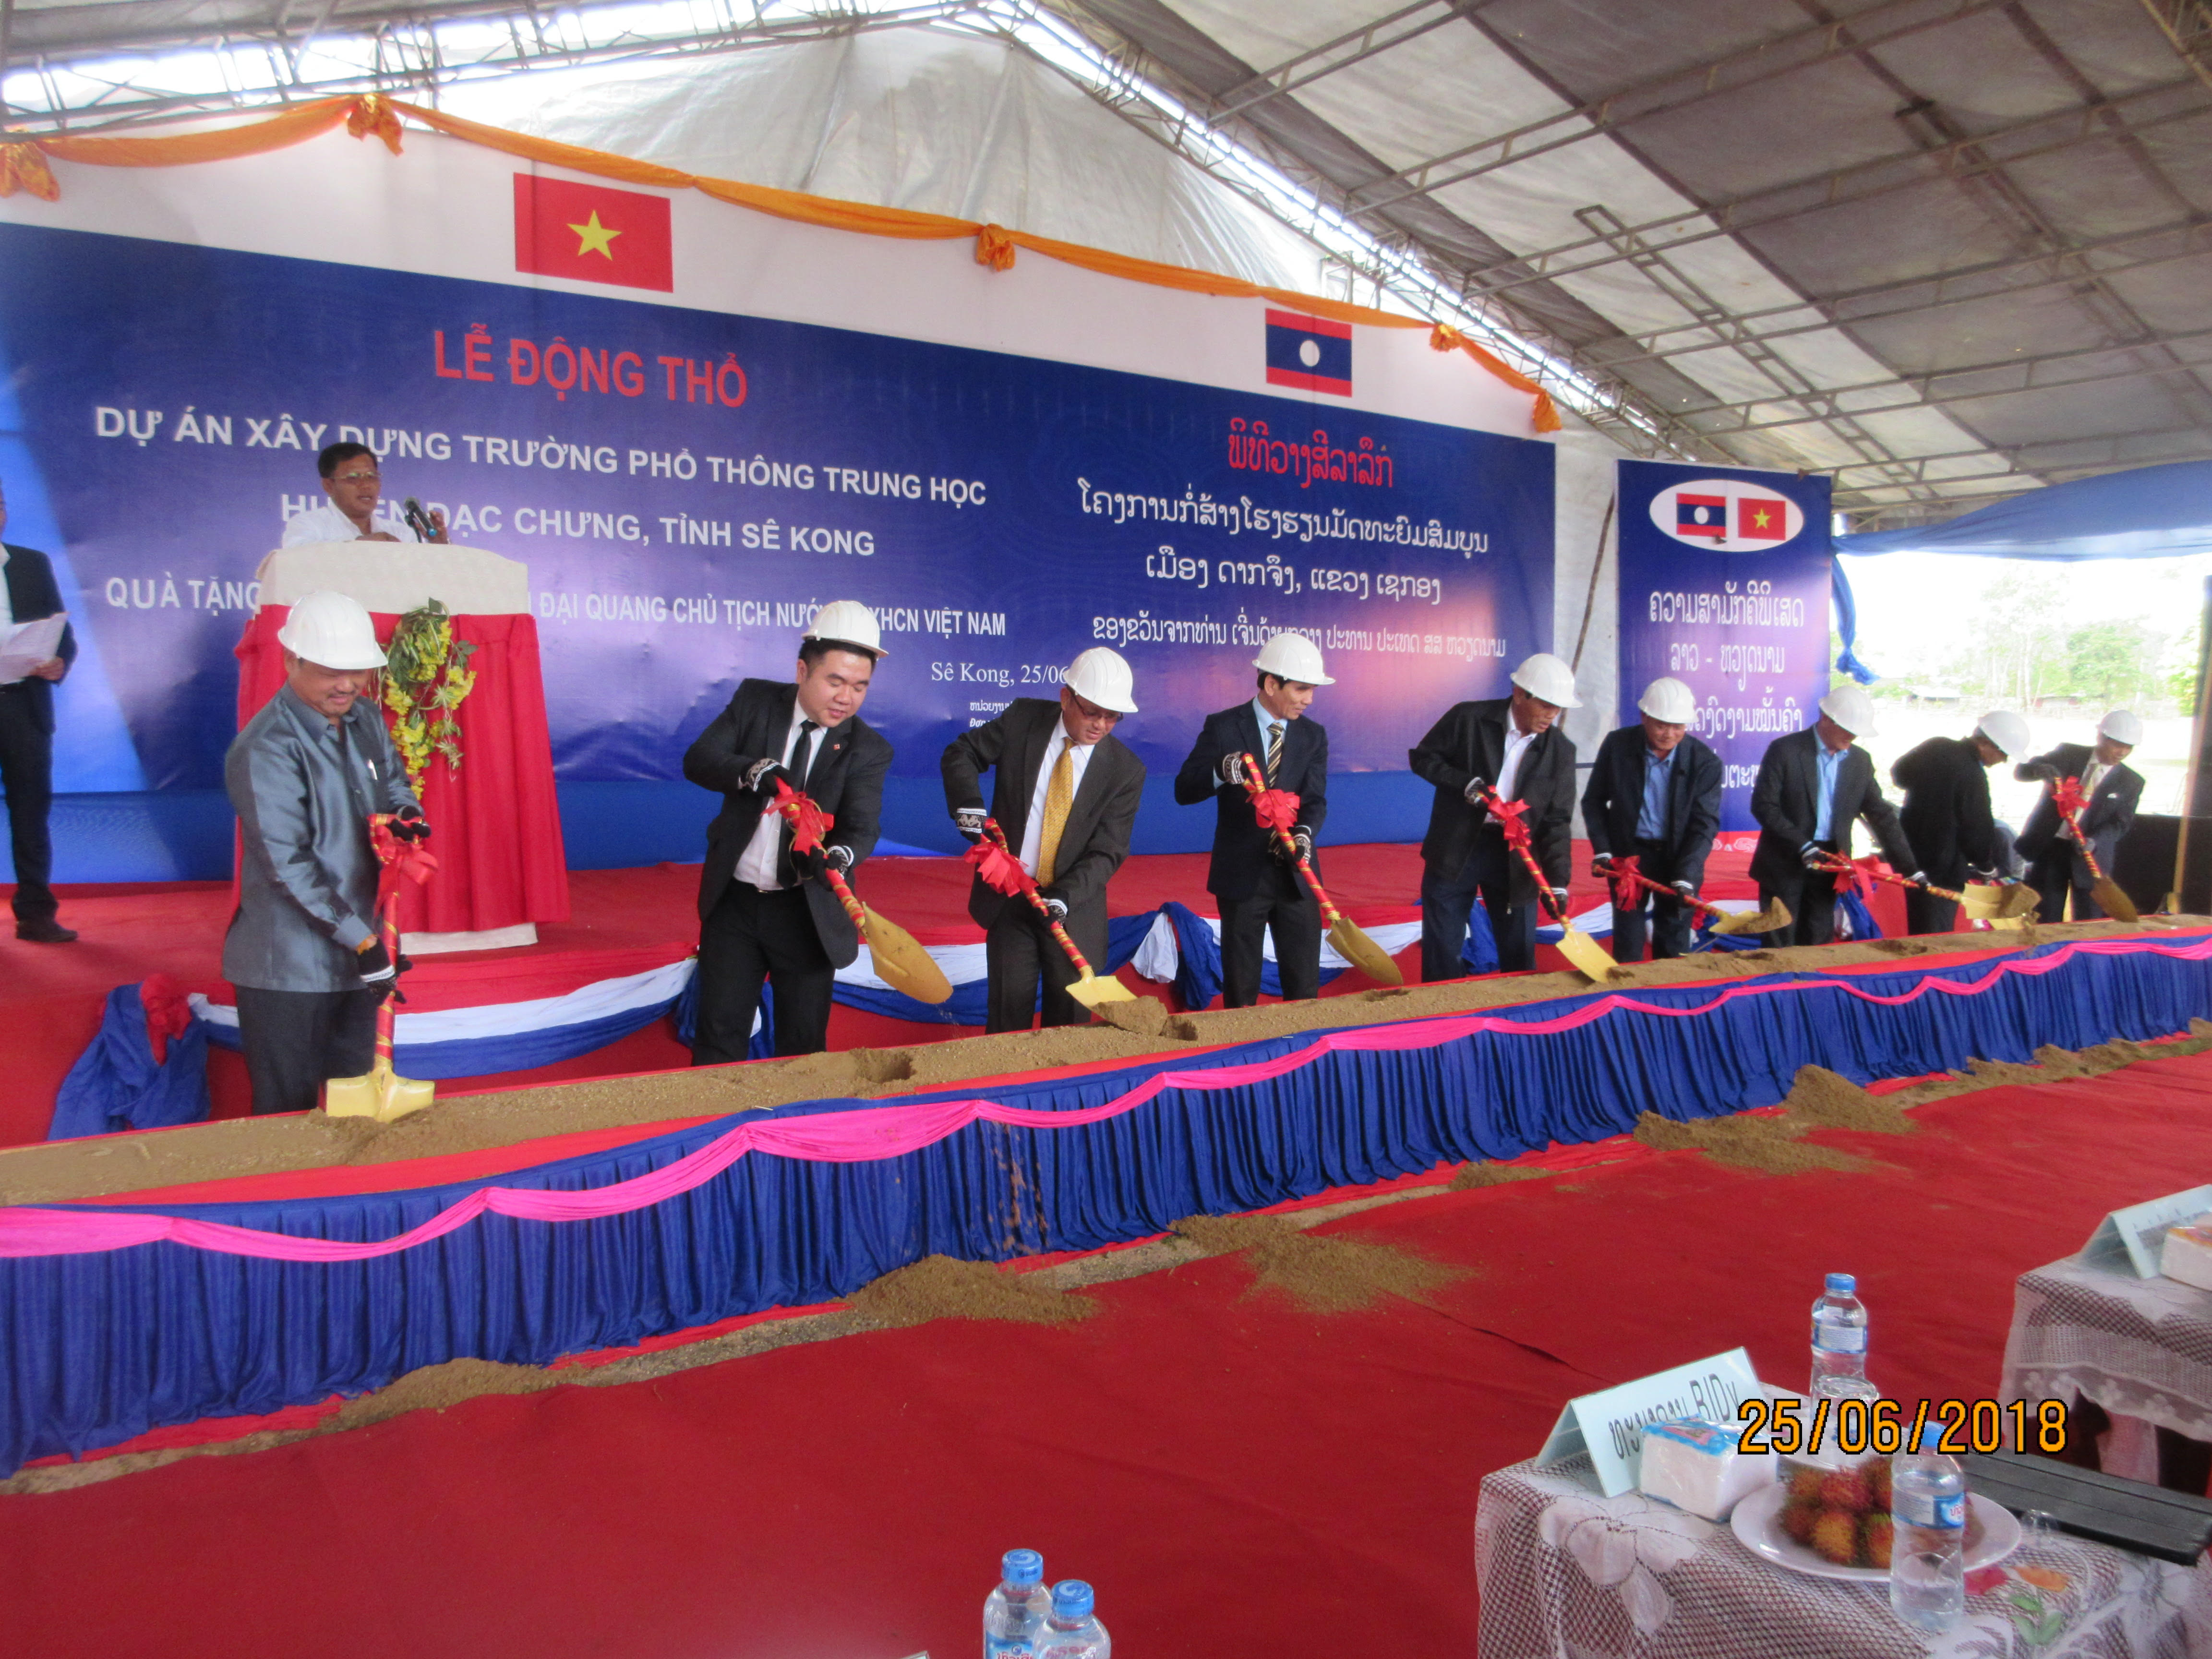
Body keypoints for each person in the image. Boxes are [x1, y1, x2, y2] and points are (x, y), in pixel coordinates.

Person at [225, 591, 428, 1114]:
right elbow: (286, 865)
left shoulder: (365, 718)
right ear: (291, 660)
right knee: (286, 1115)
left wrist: (406, 817)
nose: (347, 685)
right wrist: (364, 942)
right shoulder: (266, 747)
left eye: (357, 670)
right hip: (288, 967)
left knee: (353, 1109)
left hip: (361, 955)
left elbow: (395, 783)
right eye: (330, 671)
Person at [683, 601, 891, 1063]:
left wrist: (840, 858)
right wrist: (751, 771)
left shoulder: (869, 748)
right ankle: (715, 1111)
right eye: (835, 681)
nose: (846, 698)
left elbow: (861, 826)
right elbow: (699, 760)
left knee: (802, 1047)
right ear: (802, 671)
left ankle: (797, 1114)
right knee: (718, 1035)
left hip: (806, 911)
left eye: (859, 687)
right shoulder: (755, 702)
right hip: (734, 903)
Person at [943, 647, 1145, 1033]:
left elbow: (1109, 850)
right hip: (1011, 900)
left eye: (1112, 716)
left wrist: (1064, 897)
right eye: (1092, 712)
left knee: (1069, 1031)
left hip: (1074, 909)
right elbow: (962, 752)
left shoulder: (1126, 770)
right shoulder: (1024, 720)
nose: (1101, 725)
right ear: (1066, 698)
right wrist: (968, 804)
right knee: (1007, 1022)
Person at [1174, 632, 1332, 1007]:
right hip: (1242, 876)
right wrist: (1220, 771)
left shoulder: (1313, 736)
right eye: (1302, 689)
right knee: (1242, 992)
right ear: (1271, 684)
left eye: (1312, 690)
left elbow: (1314, 800)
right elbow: (1184, 789)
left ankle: (1301, 1045)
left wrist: (1305, 834)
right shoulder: (1224, 727)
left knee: (1304, 991)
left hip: (1297, 876)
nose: (1309, 700)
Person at [1409, 652, 1579, 978]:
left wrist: (1558, 883)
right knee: (1442, 950)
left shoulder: (1561, 750)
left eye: (1558, 708)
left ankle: (1519, 1010)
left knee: (1519, 954)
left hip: (1517, 857)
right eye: (1546, 704)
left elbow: (1557, 821)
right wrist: (1464, 784)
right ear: (1519, 693)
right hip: (1457, 846)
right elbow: (1423, 759)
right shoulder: (1467, 718)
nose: (1552, 715)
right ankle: (1443, 1007)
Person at [1749, 684, 1923, 947]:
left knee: (1819, 938)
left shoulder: (1860, 761)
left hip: (1831, 862)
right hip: (1784, 860)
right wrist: (1802, 845)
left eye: (1856, 731)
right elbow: (1764, 805)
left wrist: (1910, 869)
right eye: (1847, 728)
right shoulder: (1785, 750)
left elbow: (1880, 815)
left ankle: (1814, 976)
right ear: (1826, 718)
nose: (1853, 736)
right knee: (1779, 939)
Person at [1581, 676, 1722, 963]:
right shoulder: (1618, 745)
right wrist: (1604, 851)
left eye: (1678, 726)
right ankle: (1629, 990)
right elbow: (1593, 801)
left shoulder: (1705, 762)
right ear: (1644, 716)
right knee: (1628, 943)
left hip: (1677, 858)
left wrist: (1687, 874)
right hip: (1628, 858)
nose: (1669, 734)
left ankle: (1668, 991)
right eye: (1661, 725)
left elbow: (1704, 824)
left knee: (1674, 944)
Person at [0, 479, 78, 943]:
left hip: (23, 705)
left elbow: (61, 632)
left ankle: (35, 914)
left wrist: (58, 661)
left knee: (31, 812)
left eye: (0, 505)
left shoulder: (31, 564)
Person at [1890, 710, 2026, 935]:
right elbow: (1976, 828)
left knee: (1919, 924)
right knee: (1936, 933)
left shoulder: (1936, 746)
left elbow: (1900, 775)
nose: (2003, 761)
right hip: (1944, 867)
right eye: (2003, 754)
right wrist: (1985, 865)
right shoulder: (1973, 775)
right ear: (1985, 743)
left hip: (1910, 857)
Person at [2014, 709, 2145, 923]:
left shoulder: (2131, 782)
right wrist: (2038, 770)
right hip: (2052, 849)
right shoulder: (2068, 754)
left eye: (2128, 747)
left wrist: (2095, 841)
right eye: (2117, 745)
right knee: (2045, 916)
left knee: (2088, 920)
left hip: (2090, 856)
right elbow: (2022, 772)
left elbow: (2120, 824)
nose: (2122, 752)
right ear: (2101, 737)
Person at [282, 443, 449, 545]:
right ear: (329, 485)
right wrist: (362, 545)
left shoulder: (401, 534)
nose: (366, 485)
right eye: (353, 478)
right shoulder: (309, 524)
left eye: (372, 476)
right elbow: (294, 559)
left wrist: (439, 547)